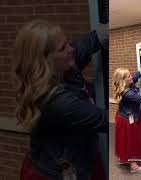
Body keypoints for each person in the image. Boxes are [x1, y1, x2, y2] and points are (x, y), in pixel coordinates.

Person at [14, 20, 107, 180]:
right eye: (63, 48)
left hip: (75, 159)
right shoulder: (57, 103)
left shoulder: (62, 64)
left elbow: (88, 43)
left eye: (67, 43)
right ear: (46, 61)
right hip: (57, 174)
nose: (71, 49)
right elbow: (106, 120)